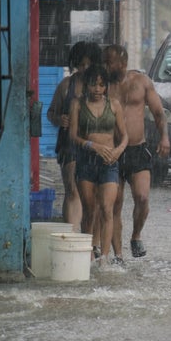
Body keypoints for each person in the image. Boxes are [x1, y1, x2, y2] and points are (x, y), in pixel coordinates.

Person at [104, 44, 170, 259]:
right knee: (115, 204)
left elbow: (159, 113)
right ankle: (118, 256)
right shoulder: (103, 85)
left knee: (142, 197)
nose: (105, 66)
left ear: (122, 63)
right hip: (112, 151)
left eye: (109, 61)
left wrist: (164, 138)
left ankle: (136, 236)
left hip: (137, 150)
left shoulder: (141, 82)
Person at [68, 64, 128, 264]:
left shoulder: (114, 105)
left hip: (109, 163)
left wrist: (118, 150)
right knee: (89, 209)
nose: (97, 89)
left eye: (101, 85)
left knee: (107, 209)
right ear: (87, 85)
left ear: (106, 87)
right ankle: (89, 253)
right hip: (86, 162)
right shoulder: (77, 104)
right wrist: (91, 145)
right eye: (93, 85)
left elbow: (124, 136)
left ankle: (105, 256)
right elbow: (73, 135)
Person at [47, 41, 103, 232]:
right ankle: (71, 237)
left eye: (88, 64)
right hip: (69, 145)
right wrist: (59, 119)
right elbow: (51, 113)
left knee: (91, 194)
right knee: (72, 190)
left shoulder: (101, 87)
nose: (83, 68)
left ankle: (90, 242)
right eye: (80, 64)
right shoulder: (66, 85)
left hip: (95, 145)